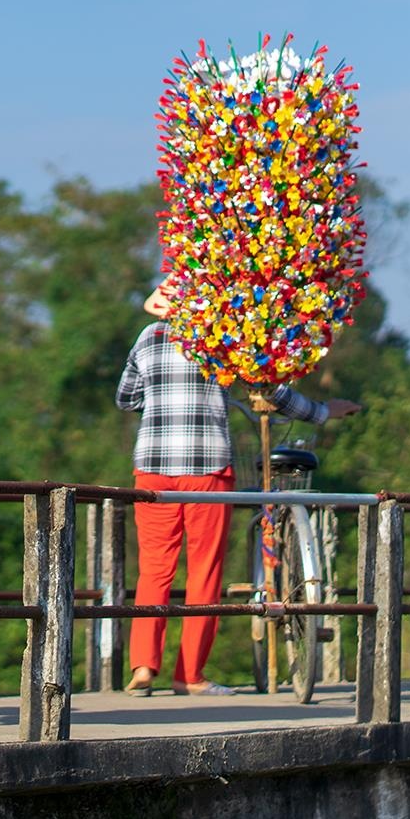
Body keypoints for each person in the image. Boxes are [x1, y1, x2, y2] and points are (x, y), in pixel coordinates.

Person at [115, 286, 359, 696]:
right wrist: (322, 411)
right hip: (206, 465)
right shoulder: (221, 335)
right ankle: (189, 675)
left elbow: (126, 398)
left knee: (155, 569)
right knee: (204, 570)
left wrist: (163, 398)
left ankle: (143, 668)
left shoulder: (149, 337)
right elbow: (272, 391)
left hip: (153, 467)